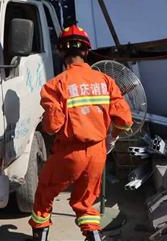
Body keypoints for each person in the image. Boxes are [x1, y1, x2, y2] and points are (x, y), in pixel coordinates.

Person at [29, 25, 133, 241]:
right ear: (86, 52)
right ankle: (93, 237)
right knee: (85, 203)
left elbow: (53, 127)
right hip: (97, 153)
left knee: (45, 192)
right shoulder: (106, 81)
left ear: (60, 52)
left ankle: (40, 237)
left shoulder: (55, 85)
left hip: (69, 153)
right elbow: (124, 120)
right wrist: (111, 138)